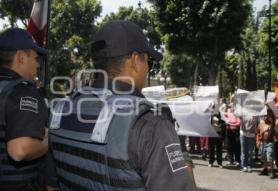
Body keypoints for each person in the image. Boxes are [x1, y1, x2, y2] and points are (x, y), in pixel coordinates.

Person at [48, 20, 195, 191]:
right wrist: (178, 146)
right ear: (134, 60)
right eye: (149, 61)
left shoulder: (60, 112)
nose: (148, 68)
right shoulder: (151, 123)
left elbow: (51, 186)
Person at [0, 28, 49, 190]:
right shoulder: (23, 91)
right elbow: (20, 150)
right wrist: (50, 140)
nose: (37, 64)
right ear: (21, 57)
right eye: (35, 58)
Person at [257, 108, 276, 179]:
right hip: (263, 142)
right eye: (264, 116)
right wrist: (258, 141)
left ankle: (272, 171)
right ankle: (265, 170)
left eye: (266, 116)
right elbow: (258, 133)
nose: (265, 117)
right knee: (263, 157)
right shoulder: (261, 123)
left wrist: (269, 108)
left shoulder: (272, 123)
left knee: (270, 157)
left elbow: (273, 117)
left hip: (269, 143)